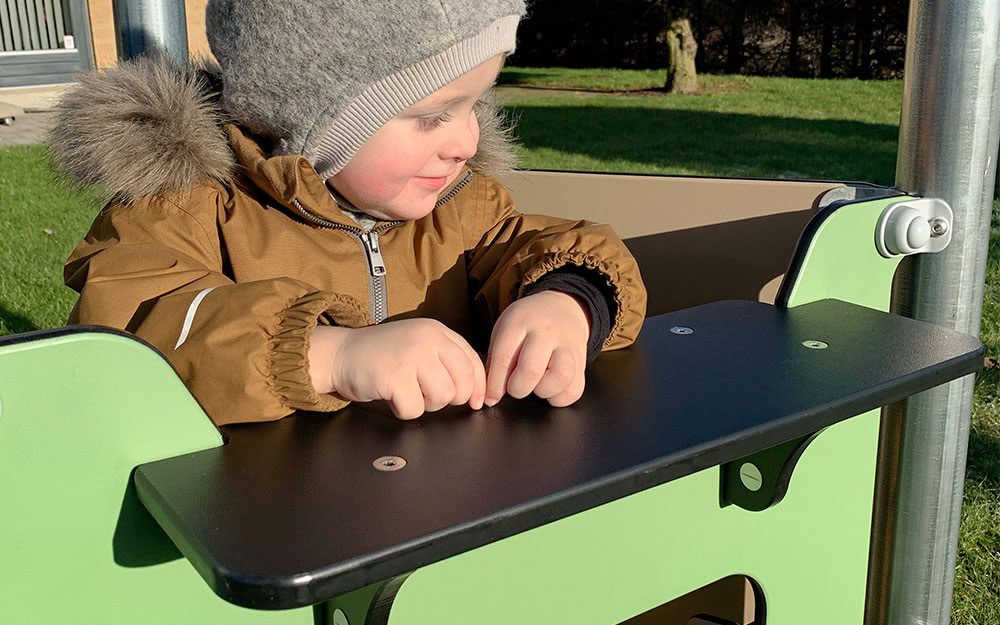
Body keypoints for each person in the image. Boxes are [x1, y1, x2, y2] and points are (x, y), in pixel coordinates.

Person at [50, 0, 647, 425]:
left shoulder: (461, 206)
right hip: (266, 529)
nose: (466, 141)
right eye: (432, 117)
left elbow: (540, 245)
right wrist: (329, 355)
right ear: (316, 117)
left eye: (475, 105)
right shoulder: (186, 208)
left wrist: (567, 300)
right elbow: (132, 328)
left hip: (440, 508)